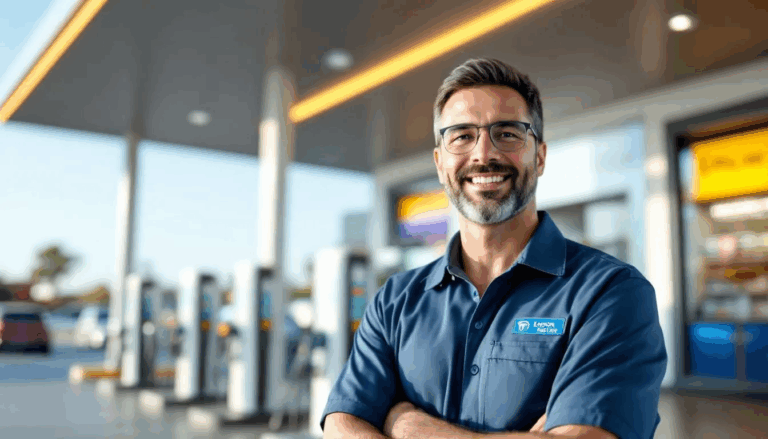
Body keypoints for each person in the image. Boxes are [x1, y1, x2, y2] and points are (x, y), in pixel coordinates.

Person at [321, 58, 667, 439]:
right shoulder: (395, 301)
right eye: (461, 136)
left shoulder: (611, 293)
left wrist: (405, 422)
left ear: (539, 156)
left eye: (507, 133)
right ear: (440, 163)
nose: (484, 154)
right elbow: (343, 423)